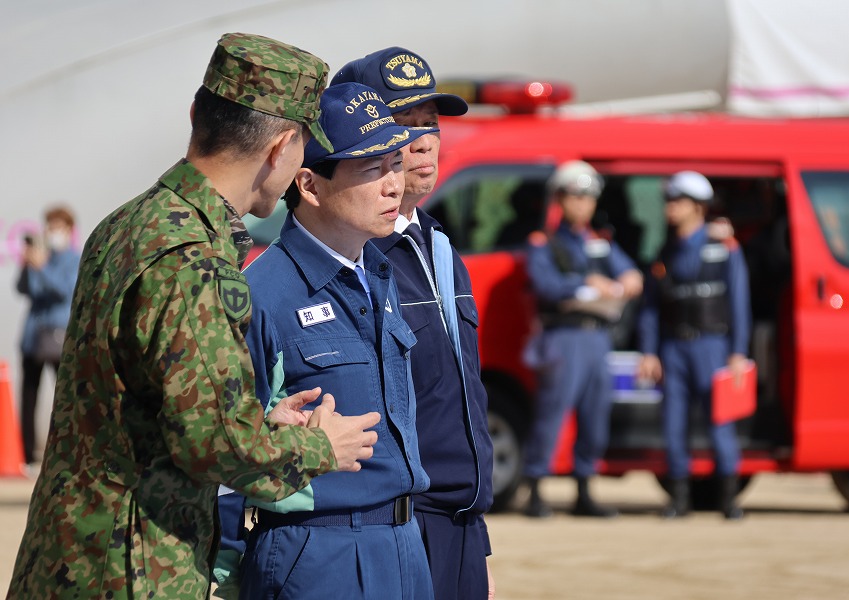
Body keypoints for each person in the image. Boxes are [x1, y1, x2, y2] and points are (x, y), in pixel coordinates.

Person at [7, 33, 382, 600]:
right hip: (131, 571)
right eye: (304, 147)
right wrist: (321, 446)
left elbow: (148, 406)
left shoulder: (128, 222)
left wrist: (259, 425)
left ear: (196, 115)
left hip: (70, 557)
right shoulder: (193, 259)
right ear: (281, 146)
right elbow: (214, 445)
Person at [215, 82, 437, 600]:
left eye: (395, 164)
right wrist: (225, 571)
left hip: (404, 544)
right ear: (310, 185)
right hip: (316, 552)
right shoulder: (260, 296)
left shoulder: (378, 275)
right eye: (372, 169)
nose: (394, 185)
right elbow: (220, 449)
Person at [330, 47, 496, 599]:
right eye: (404, 123)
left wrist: (474, 536)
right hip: (394, 526)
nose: (424, 141)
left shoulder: (440, 248)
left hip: (460, 526)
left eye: (431, 124)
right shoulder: (353, 257)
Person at [521, 160, 643, 518]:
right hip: (563, 336)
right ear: (560, 198)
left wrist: (631, 277)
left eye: (589, 197)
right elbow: (544, 285)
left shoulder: (598, 242)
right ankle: (535, 490)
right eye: (576, 196)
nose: (583, 203)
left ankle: (585, 489)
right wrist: (584, 283)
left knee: (595, 414)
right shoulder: (544, 242)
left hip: (597, 338)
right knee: (551, 413)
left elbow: (628, 272)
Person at [636, 170, 751, 520]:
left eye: (678, 201)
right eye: (669, 200)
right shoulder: (666, 251)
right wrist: (649, 351)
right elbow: (651, 308)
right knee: (673, 423)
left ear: (698, 207)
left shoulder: (723, 248)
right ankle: (679, 499)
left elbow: (739, 302)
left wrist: (738, 352)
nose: (670, 207)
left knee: (720, 421)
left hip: (713, 346)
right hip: (674, 347)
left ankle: (729, 499)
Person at [15, 205, 80, 467]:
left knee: (64, 397)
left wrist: (42, 268)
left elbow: (65, 291)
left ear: (69, 229)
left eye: (56, 227)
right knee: (29, 397)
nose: (52, 232)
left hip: (58, 337)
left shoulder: (74, 259)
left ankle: (66, 451)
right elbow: (23, 289)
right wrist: (27, 266)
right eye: (49, 227)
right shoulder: (43, 255)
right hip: (33, 337)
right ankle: (28, 456)